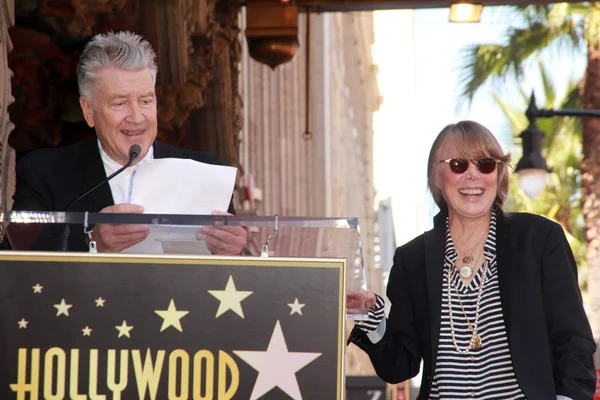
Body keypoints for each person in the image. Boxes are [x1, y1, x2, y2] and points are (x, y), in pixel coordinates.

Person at [347, 121, 597, 399]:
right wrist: (369, 317)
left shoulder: (539, 240)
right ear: (436, 176)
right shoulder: (412, 260)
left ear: (499, 173)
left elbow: (574, 342)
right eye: (458, 164)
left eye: (485, 164)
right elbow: (398, 366)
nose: (473, 175)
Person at [10, 31, 247, 255]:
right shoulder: (44, 173)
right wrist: (92, 242)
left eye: (145, 101)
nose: (136, 117)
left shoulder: (205, 172)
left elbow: (233, 278)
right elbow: (19, 263)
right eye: (119, 103)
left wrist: (235, 251)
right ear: (88, 111)